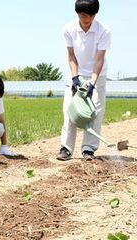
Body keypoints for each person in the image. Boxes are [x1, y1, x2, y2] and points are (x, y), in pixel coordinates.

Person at [57, 0, 111, 161]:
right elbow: (71, 56)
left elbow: (99, 59)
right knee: (69, 110)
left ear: (95, 14)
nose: (86, 19)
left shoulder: (104, 31)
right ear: (77, 13)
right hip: (77, 73)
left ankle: (88, 149)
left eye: (89, 16)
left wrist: (92, 84)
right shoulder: (68, 29)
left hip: (97, 75)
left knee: (95, 112)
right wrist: (75, 78)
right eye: (82, 15)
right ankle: (66, 148)